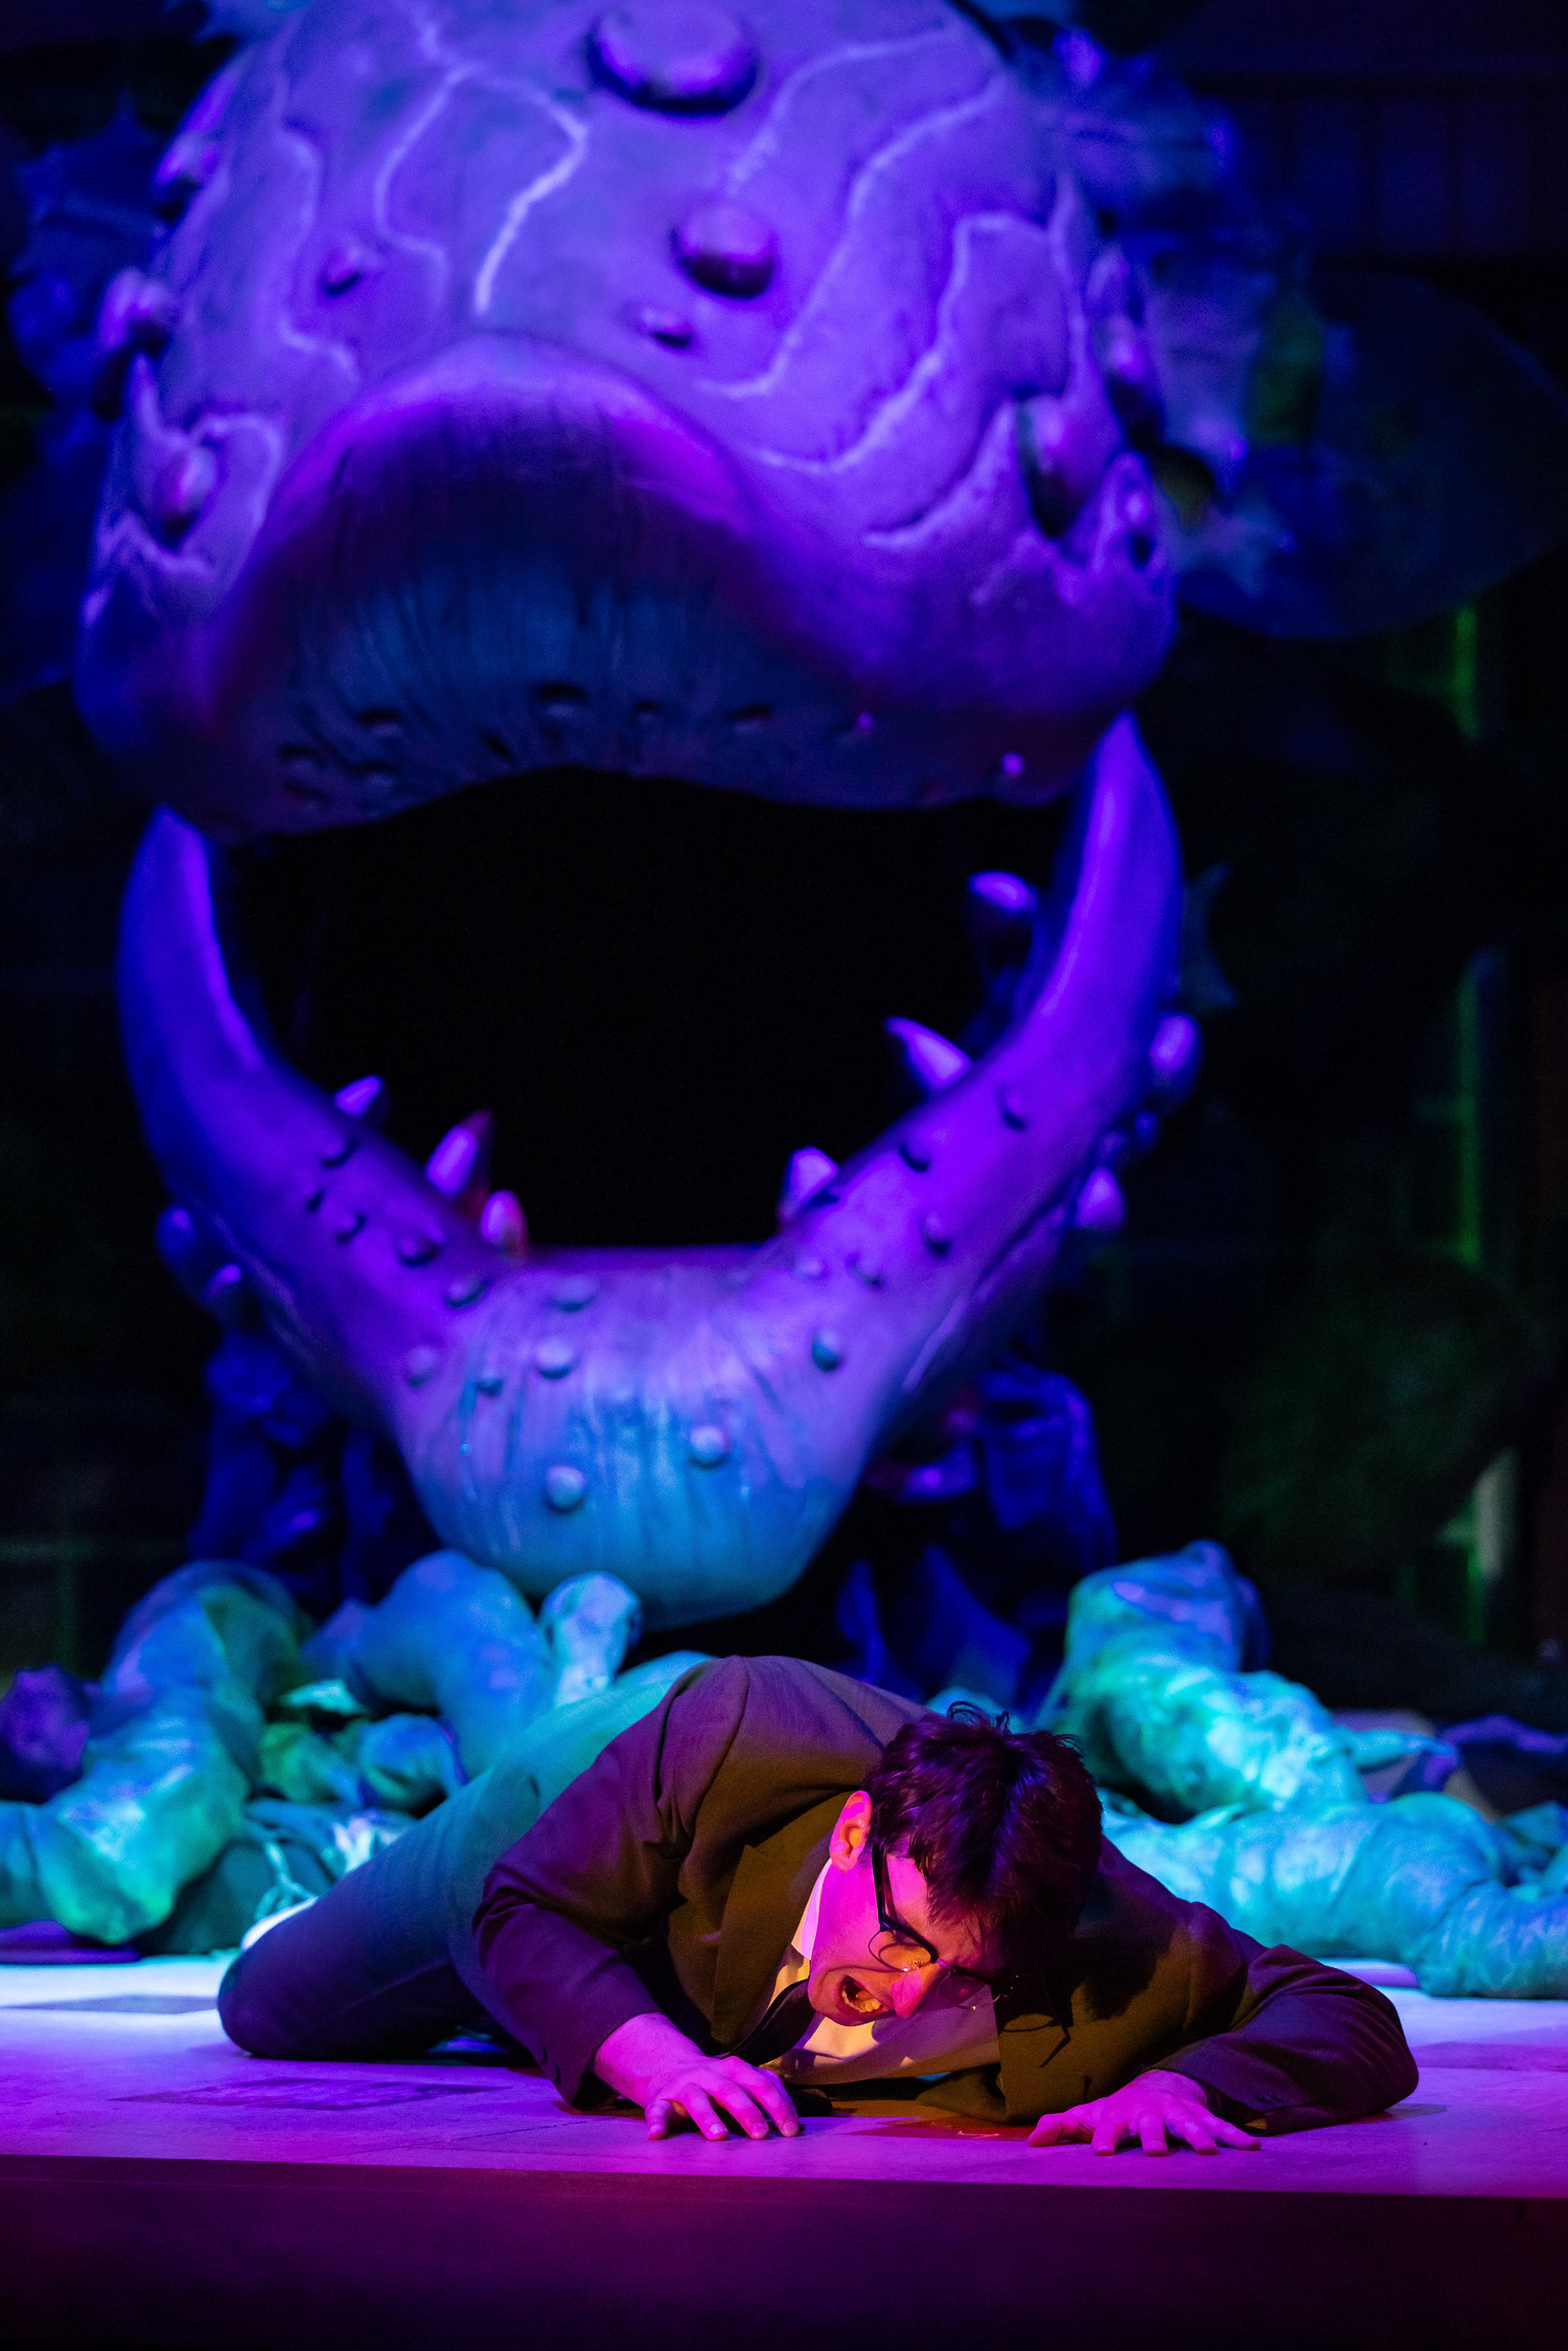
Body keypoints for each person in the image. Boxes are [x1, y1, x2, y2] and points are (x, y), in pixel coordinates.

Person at [220, 1656, 1417, 2153]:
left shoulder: (1097, 1923)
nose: (908, 1996)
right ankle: (316, 1841)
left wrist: (1192, 2084)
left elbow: (1350, 2017)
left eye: (964, 1975)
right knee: (267, 2007)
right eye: (900, 1940)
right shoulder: (732, 1733)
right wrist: (656, 2060)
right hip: (566, 1817)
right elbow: (524, 1908)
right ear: (856, 1838)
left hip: (691, 1929)